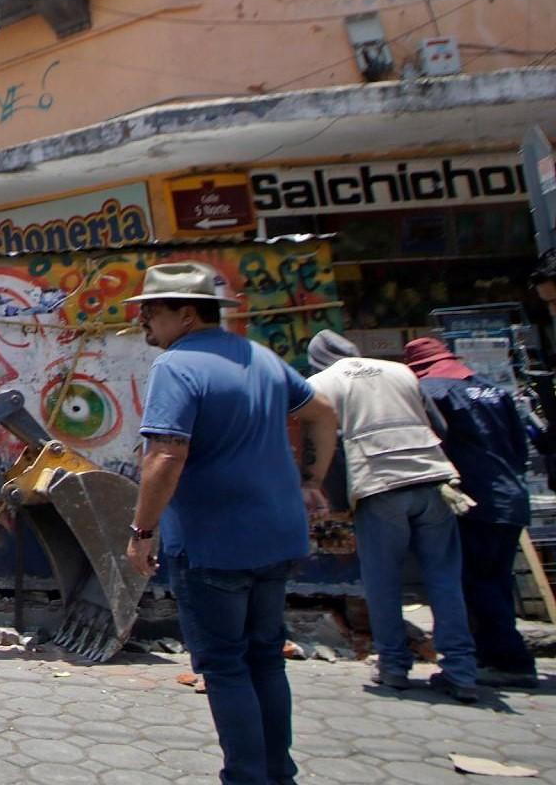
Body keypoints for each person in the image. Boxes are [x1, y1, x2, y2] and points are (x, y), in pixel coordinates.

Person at [121, 261, 340, 785]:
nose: (145, 321)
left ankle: (246, 776)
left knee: (223, 666)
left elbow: (165, 456)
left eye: (153, 311)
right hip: (277, 536)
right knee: (265, 658)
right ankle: (276, 773)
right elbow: (324, 411)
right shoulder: (259, 356)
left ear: (188, 314)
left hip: (213, 542)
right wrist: (312, 479)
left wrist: (141, 531)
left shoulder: (177, 366)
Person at [304, 331, 479, 699]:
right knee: (445, 579)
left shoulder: (320, 383)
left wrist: (331, 497)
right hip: (434, 480)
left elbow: (323, 445)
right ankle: (461, 672)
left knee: (383, 583)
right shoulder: (401, 371)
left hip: (379, 487)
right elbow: (440, 428)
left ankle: (395, 666)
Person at [409, 336, 543, 690]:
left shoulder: (432, 391)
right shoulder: (493, 390)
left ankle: (509, 661)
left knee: (477, 581)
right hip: (511, 497)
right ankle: (494, 654)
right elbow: (519, 446)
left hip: (473, 499)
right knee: (496, 580)